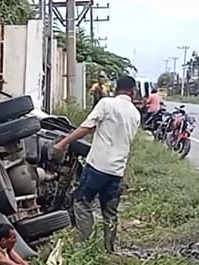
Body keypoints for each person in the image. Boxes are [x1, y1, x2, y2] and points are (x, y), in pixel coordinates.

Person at [53, 75, 141, 252]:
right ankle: (109, 249)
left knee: (81, 202)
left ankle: (87, 245)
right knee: (110, 212)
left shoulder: (106, 104)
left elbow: (88, 126)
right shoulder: (135, 114)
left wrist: (63, 143)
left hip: (97, 167)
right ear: (133, 92)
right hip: (117, 171)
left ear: (116, 89)